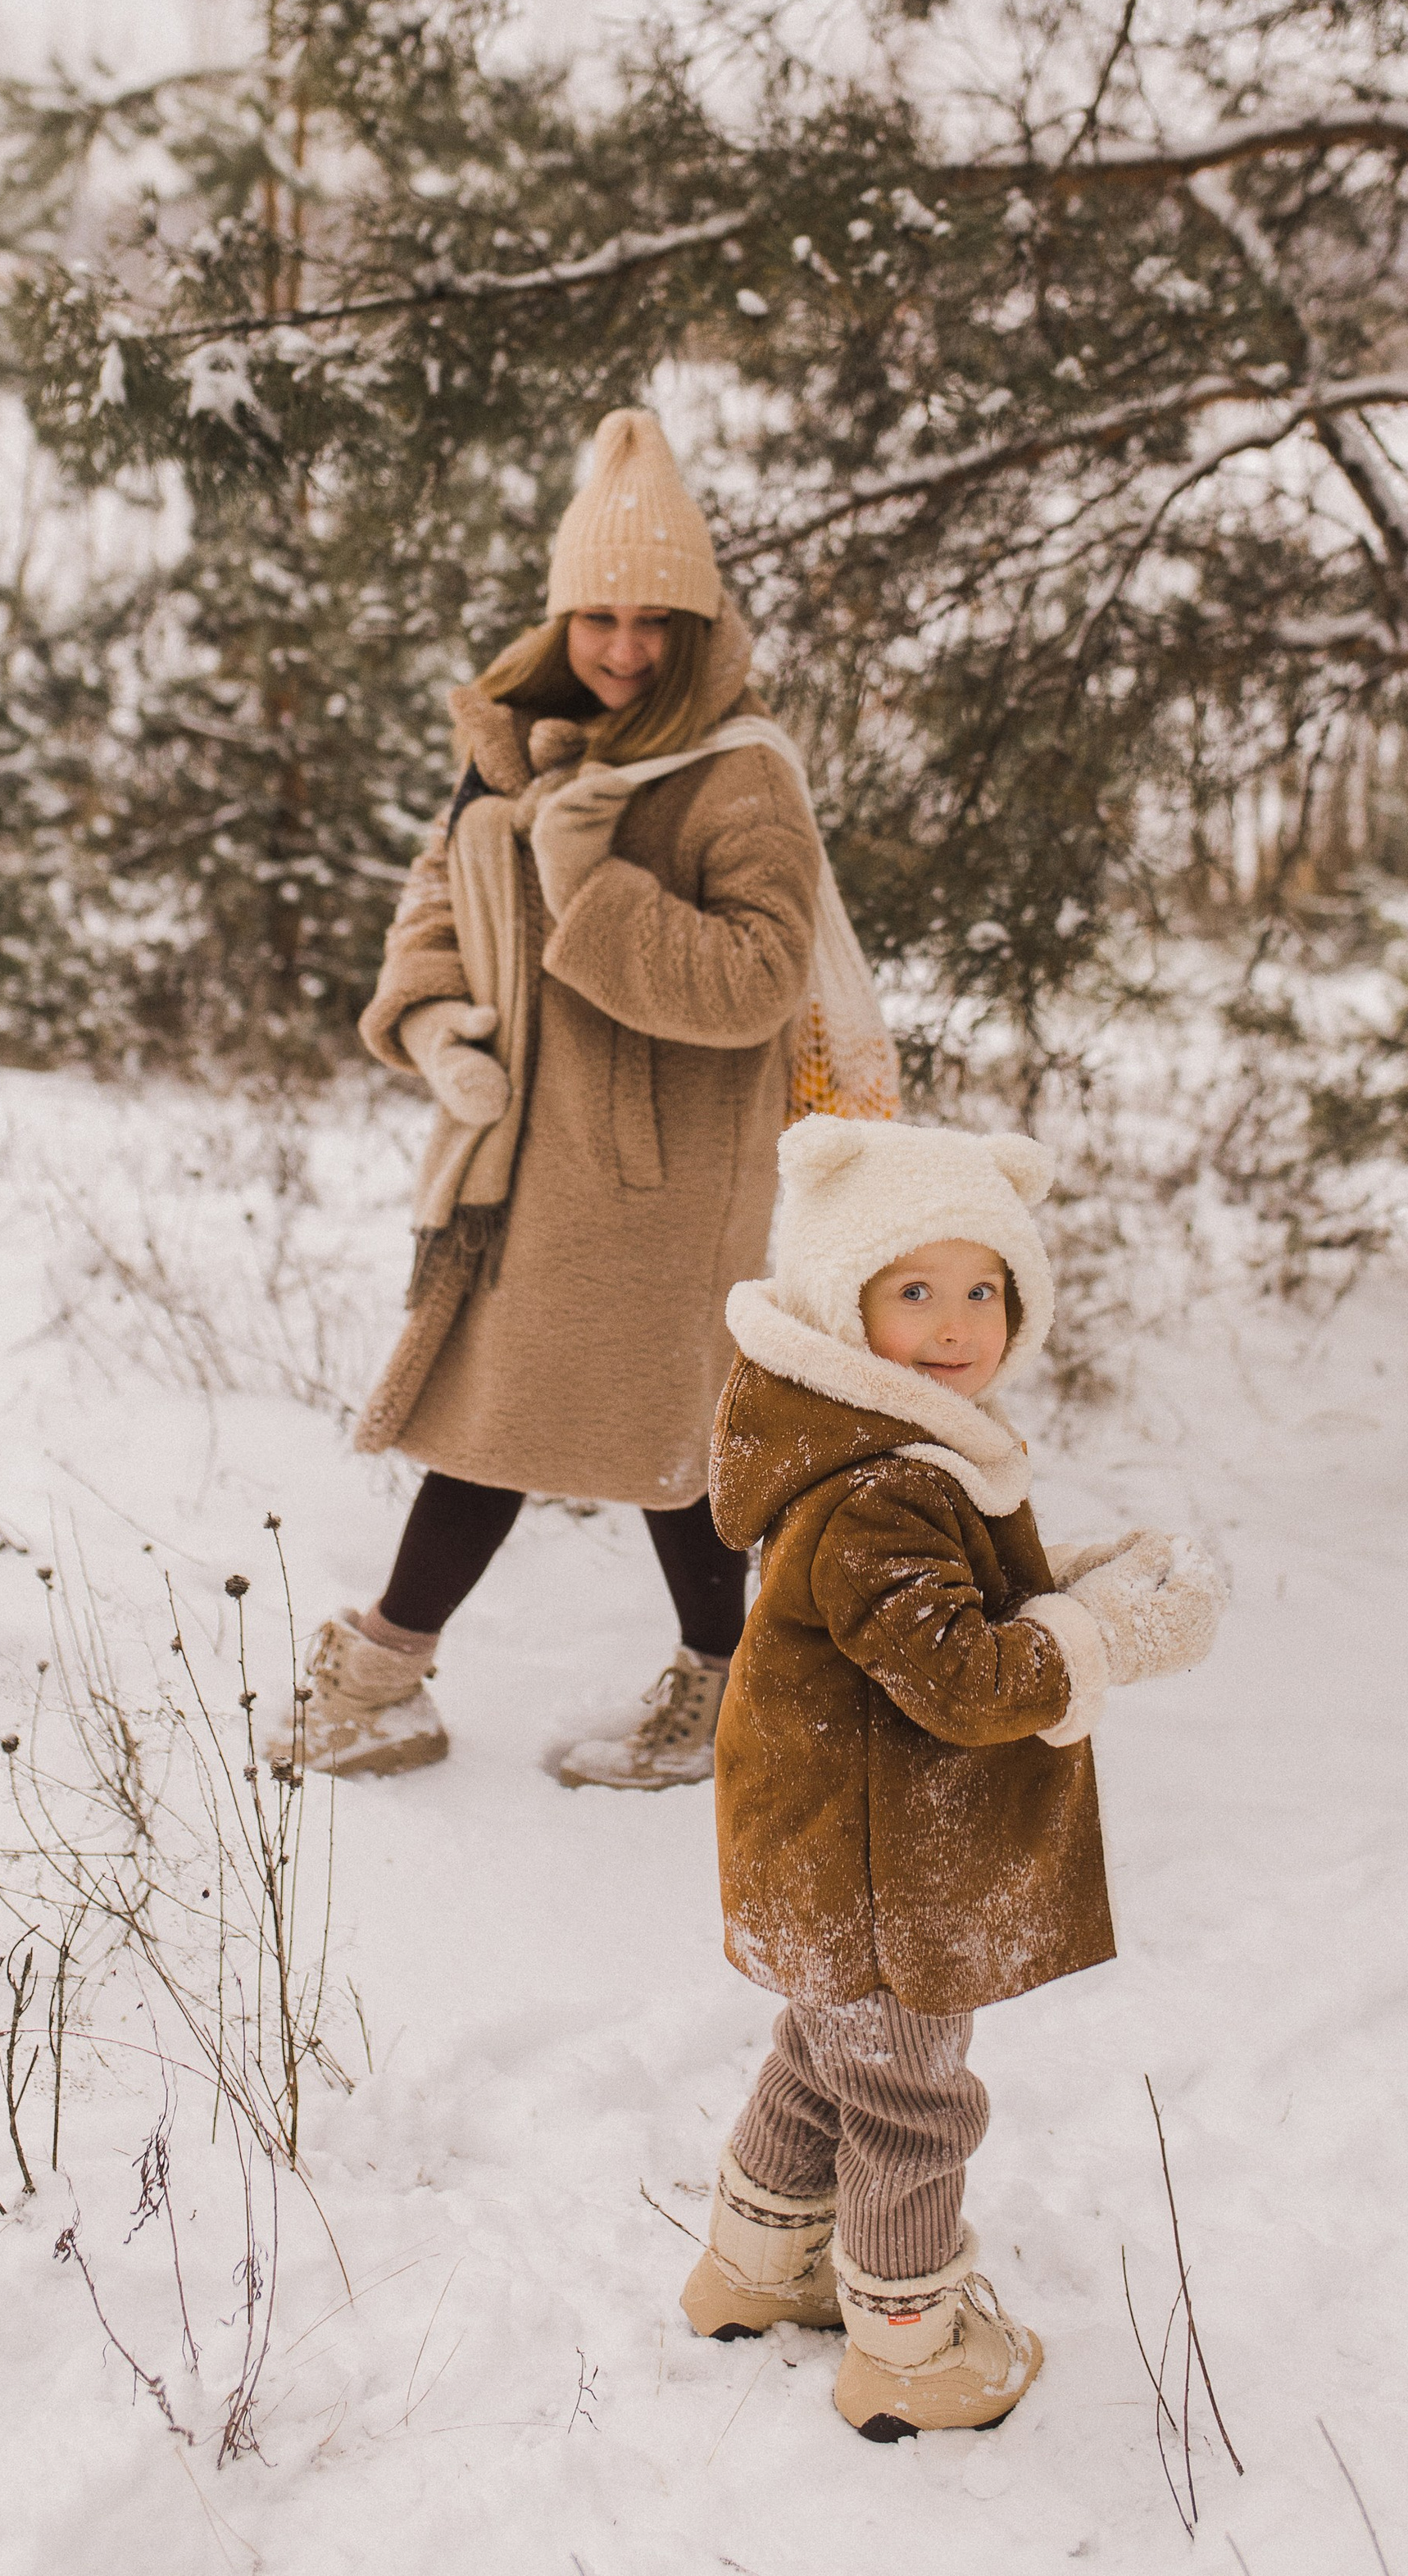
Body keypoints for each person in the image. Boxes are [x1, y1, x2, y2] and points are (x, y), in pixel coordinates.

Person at [276, 408, 822, 1789]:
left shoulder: (739, 769)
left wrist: (591, 882)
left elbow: (759, 979)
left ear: (699, 626)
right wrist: (431, 1013)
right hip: (516, 1150)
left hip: (663, 1171)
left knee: (632, 1429)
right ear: (563, 614)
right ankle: (713, 1686)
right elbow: (437, 893)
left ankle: (403, 1672)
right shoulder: (515, 738)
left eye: (655, 623)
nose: (625, 650)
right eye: (600, 618)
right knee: (588, 1422)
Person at [678, 1115, 1227, 2440]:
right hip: (878, 1881)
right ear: (841, 1298)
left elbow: (928, 1610)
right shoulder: (881, 1486)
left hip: (827, 1857)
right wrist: (1104, 1635)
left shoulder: (868, 1439)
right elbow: (961, 1679)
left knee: (828, 2058)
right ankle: (908, 2348)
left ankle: (756, 2268)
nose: (956, 1323)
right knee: (911, 2102)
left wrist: (1066, 1578)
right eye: (914, 1288)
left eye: (985, 1288)